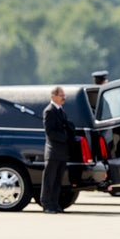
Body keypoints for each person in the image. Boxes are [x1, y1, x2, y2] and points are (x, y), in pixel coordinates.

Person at [40, 86, 74, 214]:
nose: (64, 98)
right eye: (61, 95)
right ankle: (47, 204)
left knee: (58, 180)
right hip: (53, 151)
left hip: (62, 152)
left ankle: (55, 204)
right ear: (53, 96)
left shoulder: (61, 111)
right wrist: (65, 138)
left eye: (64, 96)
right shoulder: (49, 111)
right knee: (49, 179)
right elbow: (50, 132)